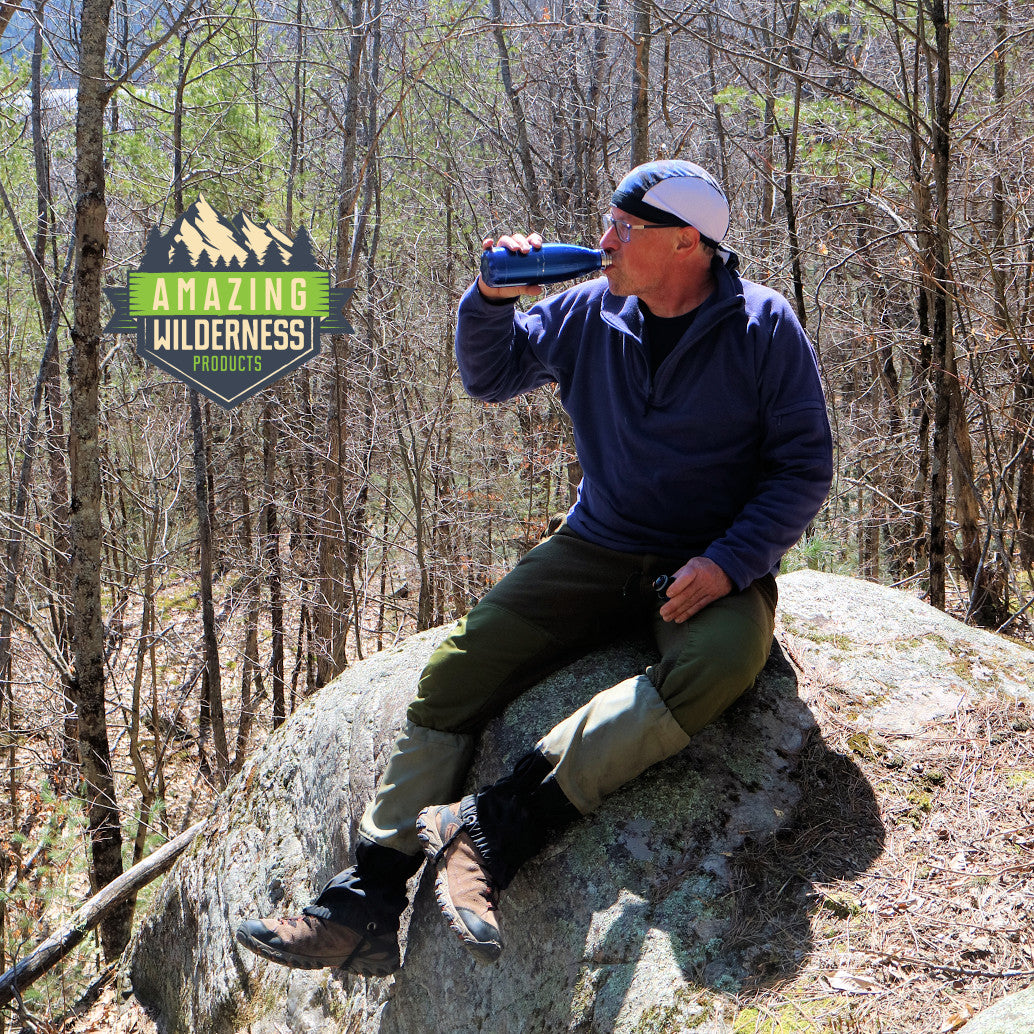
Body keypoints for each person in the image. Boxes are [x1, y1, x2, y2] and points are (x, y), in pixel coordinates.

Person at [236, 159, 833, 974]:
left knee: (723, 664)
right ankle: (363, 900)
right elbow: (491, 373)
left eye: (627, 229)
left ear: (688, 243)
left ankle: (490, 828)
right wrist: (488, 299)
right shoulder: (594, 309)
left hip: (708, 560)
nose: (605, 240)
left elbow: (802, 468)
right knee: (460, 668)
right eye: (609, 222)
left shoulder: (763, 326)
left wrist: (731, 564)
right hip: (599, 545)